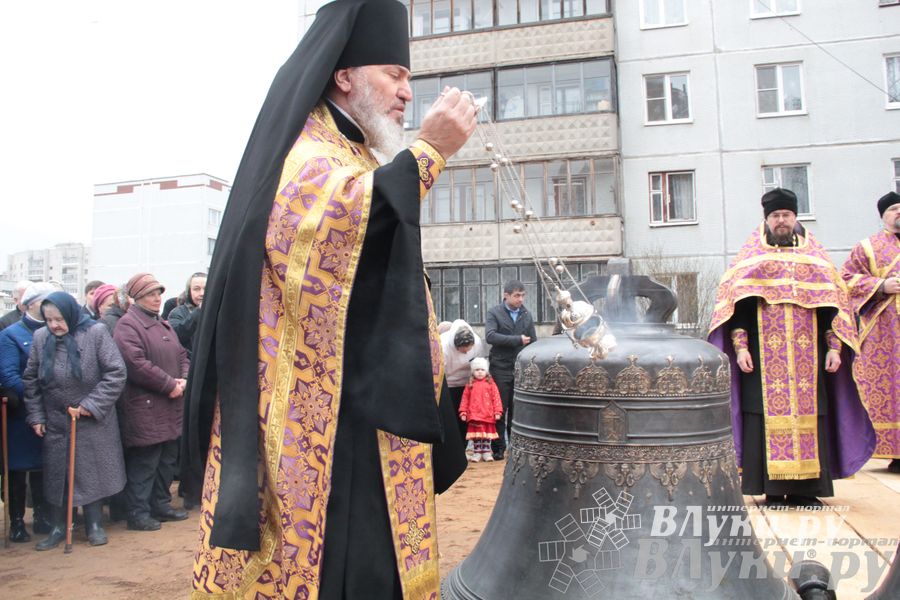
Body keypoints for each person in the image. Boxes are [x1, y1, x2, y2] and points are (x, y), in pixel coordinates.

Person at [181, 1, 473, 597]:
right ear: (345, 75)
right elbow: (337, 229)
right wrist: (428, 152)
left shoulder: (356, 153)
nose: (406, 92)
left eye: (408, 78)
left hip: (366, 407)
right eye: (394, 74)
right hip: (317, 422)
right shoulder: (307, 152)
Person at [709, 188, 875, 506]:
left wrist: (834, 348)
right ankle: (772, 490)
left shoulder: (816, 259)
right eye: (775, 216)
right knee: (761, 418)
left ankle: (807, 491)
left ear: (796, 218)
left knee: (813, 418)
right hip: (761, 360)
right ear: (767, 219)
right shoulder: (750, 259)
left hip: (808, 362)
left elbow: (832, 310)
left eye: (786, 215)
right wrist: (741, 348)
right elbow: (737, 310)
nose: (781, 220)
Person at [23, 291, 127, 549]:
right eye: (49, 320)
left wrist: (89, 405)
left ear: (70, 314)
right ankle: (59, 526)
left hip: (91, 420)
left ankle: (94, 524)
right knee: (58, 475)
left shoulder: (96, 333)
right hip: (56, 421)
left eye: (59, 319)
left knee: (90, 471)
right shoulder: (40, 337)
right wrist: (37, 415)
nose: (54, 325)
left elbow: (116, 372)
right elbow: (31, 379)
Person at [113, 273, 190, 531]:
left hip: (170, 404)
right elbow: (136, 364)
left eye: (158, 293)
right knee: (145, 462)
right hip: (145, 406)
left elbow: (182, 354)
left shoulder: (163, 324)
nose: (157, 299)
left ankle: (161, 504)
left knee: (167, 460)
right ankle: (138, 513)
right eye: (150, 294)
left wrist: (184, 379)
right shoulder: (127, 326)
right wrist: (169, 385)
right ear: (136, 297)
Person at [841, 191, 900, 474]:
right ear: (883, 216)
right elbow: (845, 280)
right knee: (890, 390)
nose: (899, 213)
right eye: (894, 209)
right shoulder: (868, 247)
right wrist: (881, 286)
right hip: (884, 334)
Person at [0, 282, 56, 542]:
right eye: (46, 302)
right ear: (32, 304)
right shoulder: (11, 334)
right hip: (20, 414)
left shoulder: (55, 331)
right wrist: (37, 397)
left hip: (50, 411)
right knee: (18, 470)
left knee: (43, 467)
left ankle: (43, 516)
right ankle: (17, 521)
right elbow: (9, 376)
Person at [485, 280, 537, 460]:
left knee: (517, 410)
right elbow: (490, 336)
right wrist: (517, 340)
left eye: (523, 295)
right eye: (516, 295)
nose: (520, 299)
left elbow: (533, 341)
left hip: (520, 367)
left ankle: (515, 447)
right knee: (500, 409)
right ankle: (498, 448)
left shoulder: (526, 315)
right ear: (506, 295)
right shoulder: (494, 313)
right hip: (500, 366)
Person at [441, 319, 487, 443]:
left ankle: (463, 445)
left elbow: (479, 364)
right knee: (451, 418)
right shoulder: (443, 344)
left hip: (468, 384)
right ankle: (451, 444)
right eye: (463, 350)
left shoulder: (477, 342)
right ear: (456, 346)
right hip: (448, 384)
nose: (466, 352)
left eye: (469, 349)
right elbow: (440, 371)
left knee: (465, 417)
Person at [459, 357, 503, 463]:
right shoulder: (470, 385)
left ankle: (487, 452)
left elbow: (496, 398)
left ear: (486, 371)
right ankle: (477, 452)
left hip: (488, 414)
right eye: (477, 370)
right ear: (473, 372)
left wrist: (498, 411)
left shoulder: (491, 384)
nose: (479, 372)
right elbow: (465, 399)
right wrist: (463, 412)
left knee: (486, 435)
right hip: (474, 415)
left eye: (482, 370)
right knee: (477, 435)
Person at [166, 272, 206, 356]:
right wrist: (198, 311)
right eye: (196, 289)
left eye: (206, 288)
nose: (202, 293)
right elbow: (176, 335)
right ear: (189, 292)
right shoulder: (177, 313)